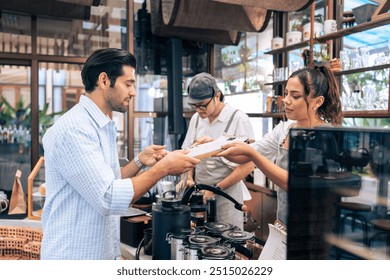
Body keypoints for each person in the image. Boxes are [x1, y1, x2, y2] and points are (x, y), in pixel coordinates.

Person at [41, 48, 200, 260]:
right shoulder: (74, 129)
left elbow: (108, 180)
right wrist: (164, 168)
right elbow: (108, 196)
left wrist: (139, 162)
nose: (133, 92)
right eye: (128, 83)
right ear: (104, 80)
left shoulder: (101, 124)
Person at [217, 66, 342, 227]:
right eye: (286, 93)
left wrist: (252, 155)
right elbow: (243, 156)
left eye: (295, 96)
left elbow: (295, 184)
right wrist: (214, 147)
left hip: (313, 228)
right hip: (284, 222)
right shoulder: (284, 130)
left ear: (318, 101)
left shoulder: (326, 137)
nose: (286, 100)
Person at [182, 72, 254, 230]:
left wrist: (215, 190)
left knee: (227, 242)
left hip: (227, 197)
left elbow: (249, 165)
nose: (198, 110)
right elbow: (187, 151)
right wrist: (188, 178)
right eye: (194, 106)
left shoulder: (238, 119)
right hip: (199, 196)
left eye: (202, 105)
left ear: (217, 95)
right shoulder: (196, 119)